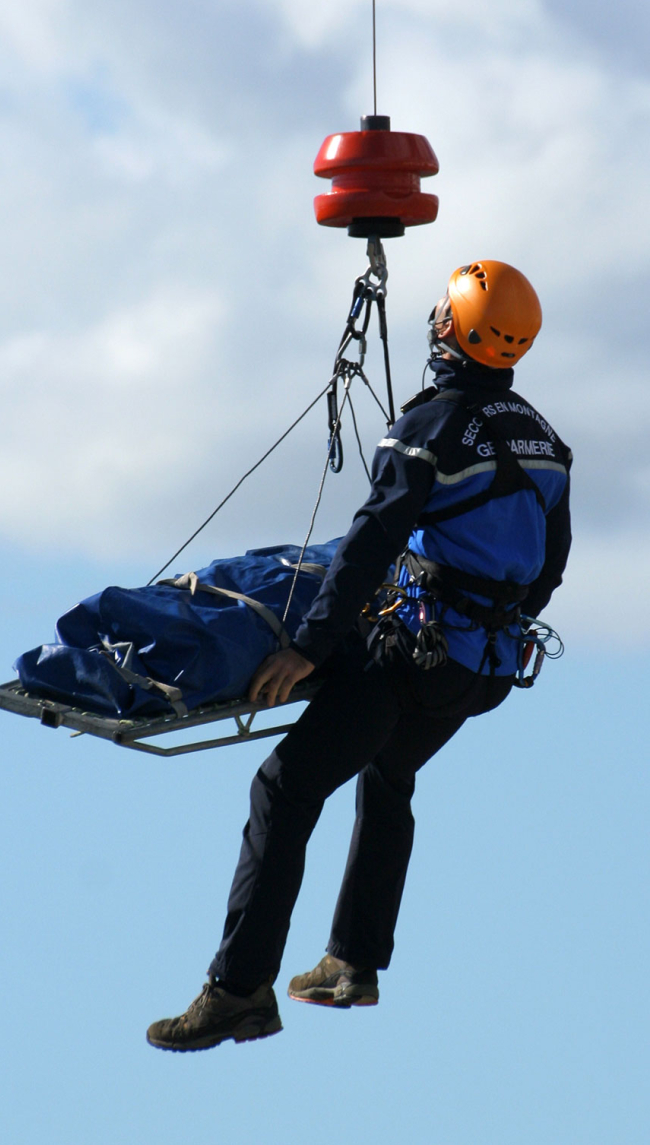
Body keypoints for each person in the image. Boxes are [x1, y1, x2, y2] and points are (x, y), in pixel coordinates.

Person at [146, 260, 572, 1053]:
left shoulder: (427, 429)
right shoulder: (547, 440)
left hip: (417, 656)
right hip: (484, 671)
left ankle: (238, 992)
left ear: (452, 328)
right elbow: (549, 569)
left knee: (283, 786)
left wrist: (308, 648)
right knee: (388, 773)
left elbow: (371, 544)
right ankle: (353, 961)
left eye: (443, 311)